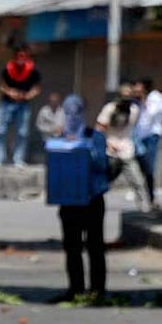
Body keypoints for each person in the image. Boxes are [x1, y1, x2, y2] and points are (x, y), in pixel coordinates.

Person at [48, 95, 110, 304]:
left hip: (92, 199)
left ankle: (97, 291)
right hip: (70, 201)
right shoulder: (60, 140)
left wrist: (82, 148)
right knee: (72, 247)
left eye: (76, 111)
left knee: (95, 247)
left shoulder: (96, 137)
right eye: (68, 112)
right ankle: (75, 288)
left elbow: (102, 165)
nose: (72, 116)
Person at [96, 84, 149, 212]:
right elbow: (99, 129)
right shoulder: (110, 108)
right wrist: (108, 144)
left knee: (138, 181)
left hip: (126, 151)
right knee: (102, 182)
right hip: (110, 151)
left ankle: (144, 209)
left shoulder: (134, 110)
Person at [0, 44, 41, 167]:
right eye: (18, 55)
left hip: (23, 105)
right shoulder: (7, 68)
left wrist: (27, 95)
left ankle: (18, 159)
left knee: (22, 132)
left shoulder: (33, 70)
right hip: (7, 103)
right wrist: (10, 92)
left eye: (23, 55)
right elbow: (1, 85)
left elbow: (37, 88)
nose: (21, 58)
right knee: (1, 130)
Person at [133, 78, 162, 210]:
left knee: (149, 167)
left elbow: (152, 113)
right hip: (139, 137)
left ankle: (151, 198)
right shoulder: (138, 101)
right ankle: (147, 197)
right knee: (141, 168)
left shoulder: (156, 97)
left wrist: (143, 100)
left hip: (151, 136)